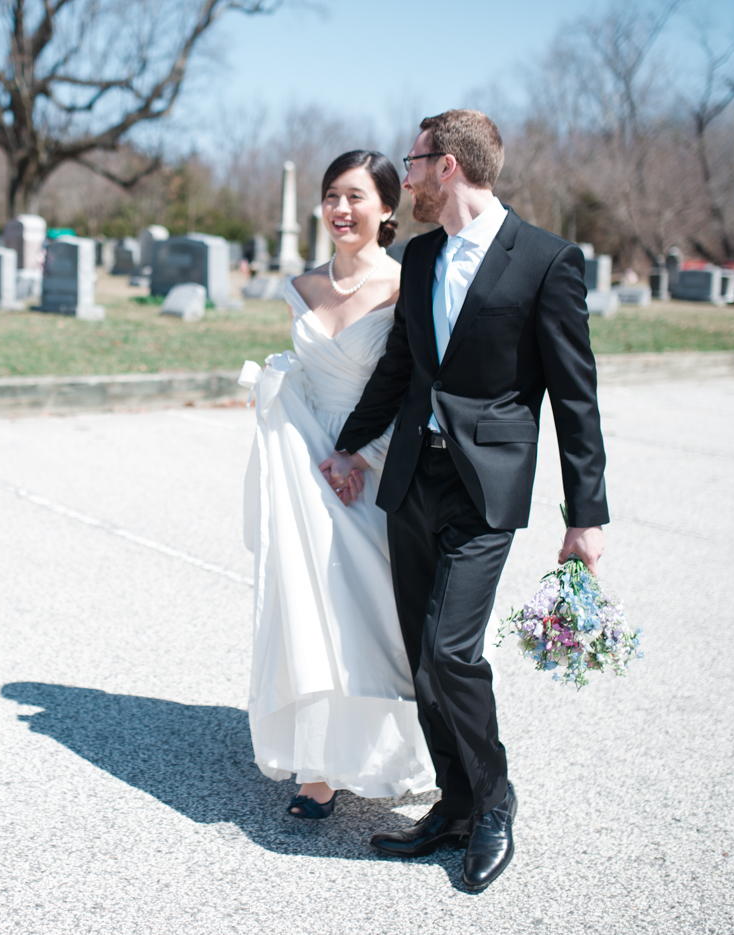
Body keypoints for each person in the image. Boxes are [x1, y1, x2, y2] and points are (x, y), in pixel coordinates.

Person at [320, 110, 609, 891]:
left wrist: (587, 514)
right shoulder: (419, 258)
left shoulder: (547, 261)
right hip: (414, 475)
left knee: (452, 651)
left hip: (487, 488)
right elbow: (402, 368)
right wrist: (350, 443)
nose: (402, 179)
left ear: (447, 167)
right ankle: (451, 805)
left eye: (412, 164)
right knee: (421, 657)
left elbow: (575, 398)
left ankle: (493, 802)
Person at [241, 151, 435, 821]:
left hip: (375, 458)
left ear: (387, 208)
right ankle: (317, 766)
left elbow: (414, 383)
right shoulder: (300, 286)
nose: (340, 210)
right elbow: (300, 373)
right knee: (307, 599)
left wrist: (356, 452)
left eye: (355, 197)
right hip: (305, 458)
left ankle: (397, 751)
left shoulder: (409, 284)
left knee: (374, 611)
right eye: (331, 196)